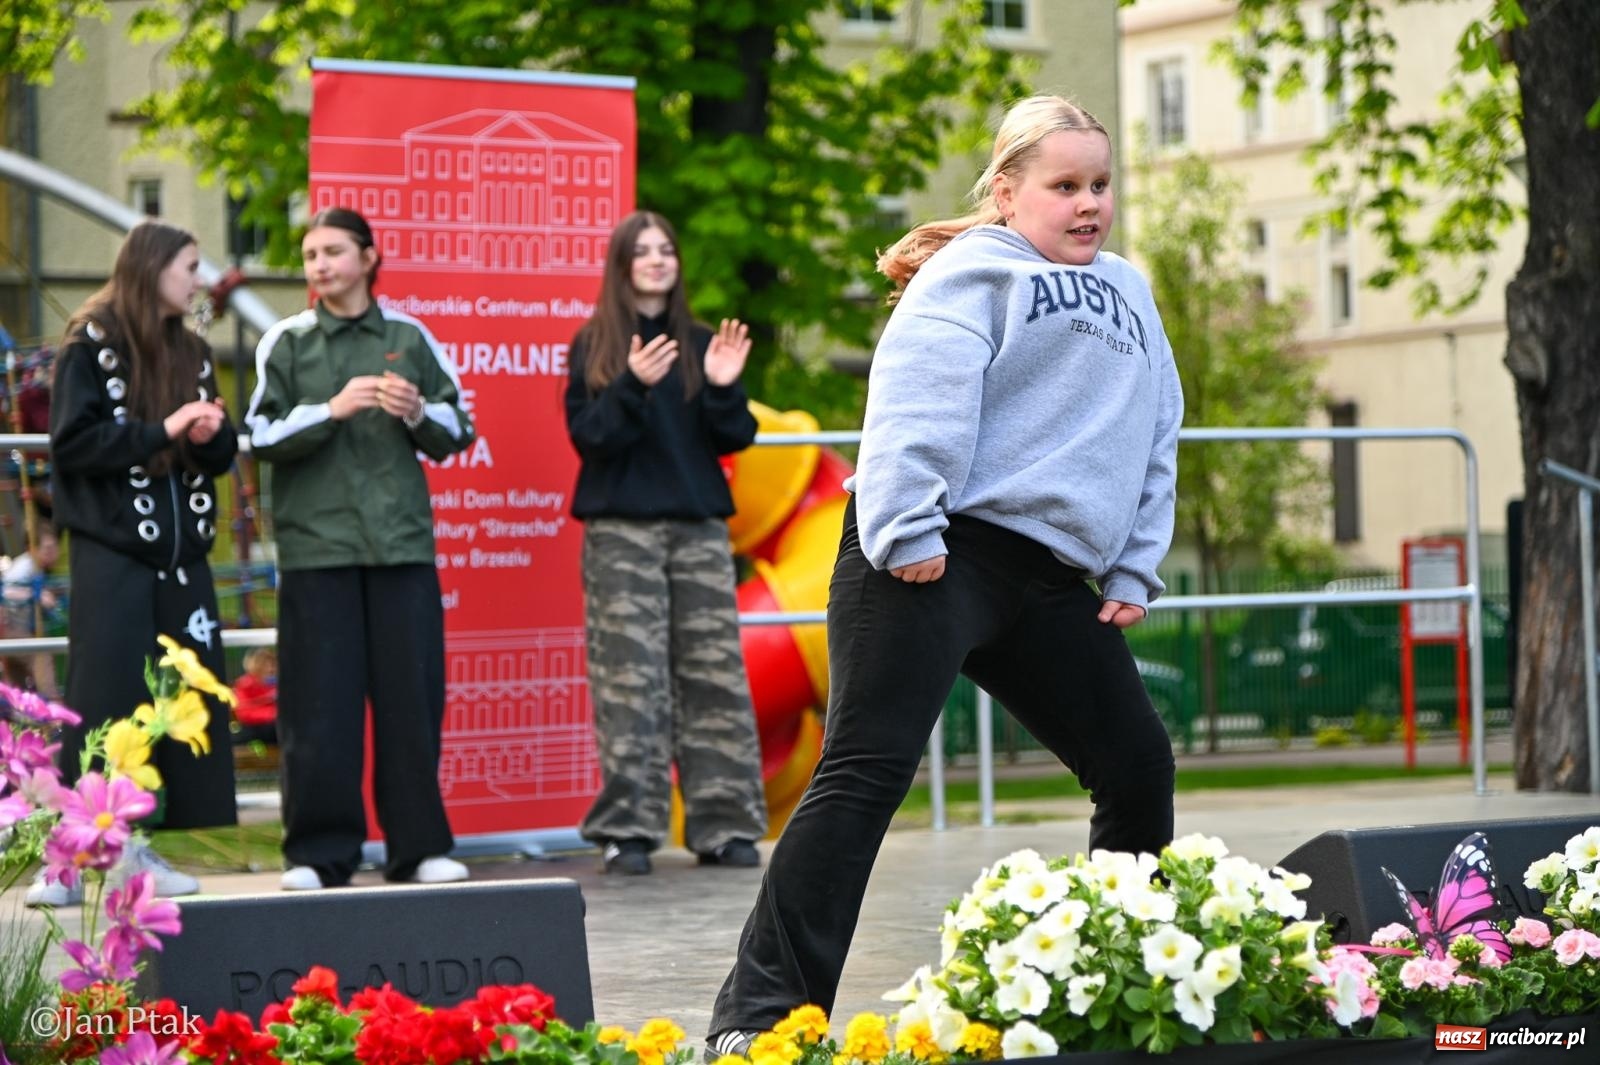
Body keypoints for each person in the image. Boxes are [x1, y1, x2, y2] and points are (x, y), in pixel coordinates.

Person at [704, 95, 1183, 1052]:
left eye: (1100, 185)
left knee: (1136, 767)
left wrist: (1135, 562)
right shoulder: (976, 270)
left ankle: (1122, 987)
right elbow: (916, 392)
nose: (1088, 204)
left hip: (1050, 579)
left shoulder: (1129, 290)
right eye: (1064, 187)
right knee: (864, 775)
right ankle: (756, 1028)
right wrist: (908, 523)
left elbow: (1155, 427)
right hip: (930, 554)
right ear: (1009, 194)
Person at [245, 207, 475, 890]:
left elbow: (458, 426)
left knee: (412, 702)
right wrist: (331, 409)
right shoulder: (285, 342)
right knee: (319, 709)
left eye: (334, 251)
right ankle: (318, 855)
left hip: (401, 548)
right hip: (317, 553)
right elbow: (256, 435)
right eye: (311, 253)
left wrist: (414, 412)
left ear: (368, 258)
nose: (319, 264)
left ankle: (419, 848)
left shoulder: (410, 335)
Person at [32, 219, 240, 907]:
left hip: (180, 559)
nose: (197, 278)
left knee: (173, 703)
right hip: (113, 555)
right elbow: (75, 444)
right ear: (152, 268)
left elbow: (215, 456)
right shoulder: (90, 344)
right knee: (106, 699)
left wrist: (210, 436)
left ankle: (138, 853)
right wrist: (163, 430)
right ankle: (65, 860)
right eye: (189, 264)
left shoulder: (192, 349)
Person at [565, 210, 768, 876]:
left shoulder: (702, 340)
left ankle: (725, 824)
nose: (657, 259)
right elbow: (591, 438)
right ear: (622, 265)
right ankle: (629, 829)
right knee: (631, 681)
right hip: (621, 532)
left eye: (666, 249)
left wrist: (722, 385)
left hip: (699, 530)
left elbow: (733, 436)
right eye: (642, 250)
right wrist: (632, 385)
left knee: (714, 676)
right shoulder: (595, 342)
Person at [2, 515, 62, 698]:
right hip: (9, 628)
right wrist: (35, 596)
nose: (53, 552)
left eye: (54, 547)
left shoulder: (37, 569)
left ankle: (20, 717)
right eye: (47, 548)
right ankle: (54, 709)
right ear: (32, 548)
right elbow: (6, 592)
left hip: (18, 630)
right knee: (41, 656)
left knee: (17, 681)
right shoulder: (24, 566)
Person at [230, 646, 278, 746]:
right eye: (265, 664)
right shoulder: (244, 684)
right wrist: (272, 713)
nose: (270, 668)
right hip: (254, 728)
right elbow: (244, 713)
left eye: (272, 664)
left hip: (274, 728)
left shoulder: (275, 684)